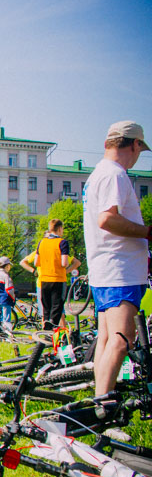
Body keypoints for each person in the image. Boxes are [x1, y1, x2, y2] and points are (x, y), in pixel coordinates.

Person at [83, 120, 151, 397]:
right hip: (119, 269)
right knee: (121, 341)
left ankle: (100, 400)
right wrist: (148, 233)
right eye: (140, 149)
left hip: (107, 269)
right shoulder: (115, 174)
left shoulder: (98, 173)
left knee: (108, 340)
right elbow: (108, 219)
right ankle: (102, 406)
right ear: (135, 144)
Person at [34, 219, 81, 331]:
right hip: (58, 279)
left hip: (44, 279)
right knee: (56, 309)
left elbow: (36, 262)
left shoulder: (42, 242)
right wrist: (67, 269)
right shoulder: (62, 242)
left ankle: (45, 331)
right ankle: (52, 332)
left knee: (46, 309)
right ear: (59, 229)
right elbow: (64, 263)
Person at [0, 256, 16, 332]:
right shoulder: (6, 276)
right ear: (7, 266)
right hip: (5, 300)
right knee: (6, 319)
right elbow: (9, 289)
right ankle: (7, 333)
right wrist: (13, 298)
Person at [18, 252, 43, 325]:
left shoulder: (39, 250)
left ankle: (46, 331)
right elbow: (22, 262)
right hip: (52, 282)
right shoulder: (58, 249)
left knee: (44, 311)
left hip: (42, 283)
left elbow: (22, 262)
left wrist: (34, 271)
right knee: (58, 311)